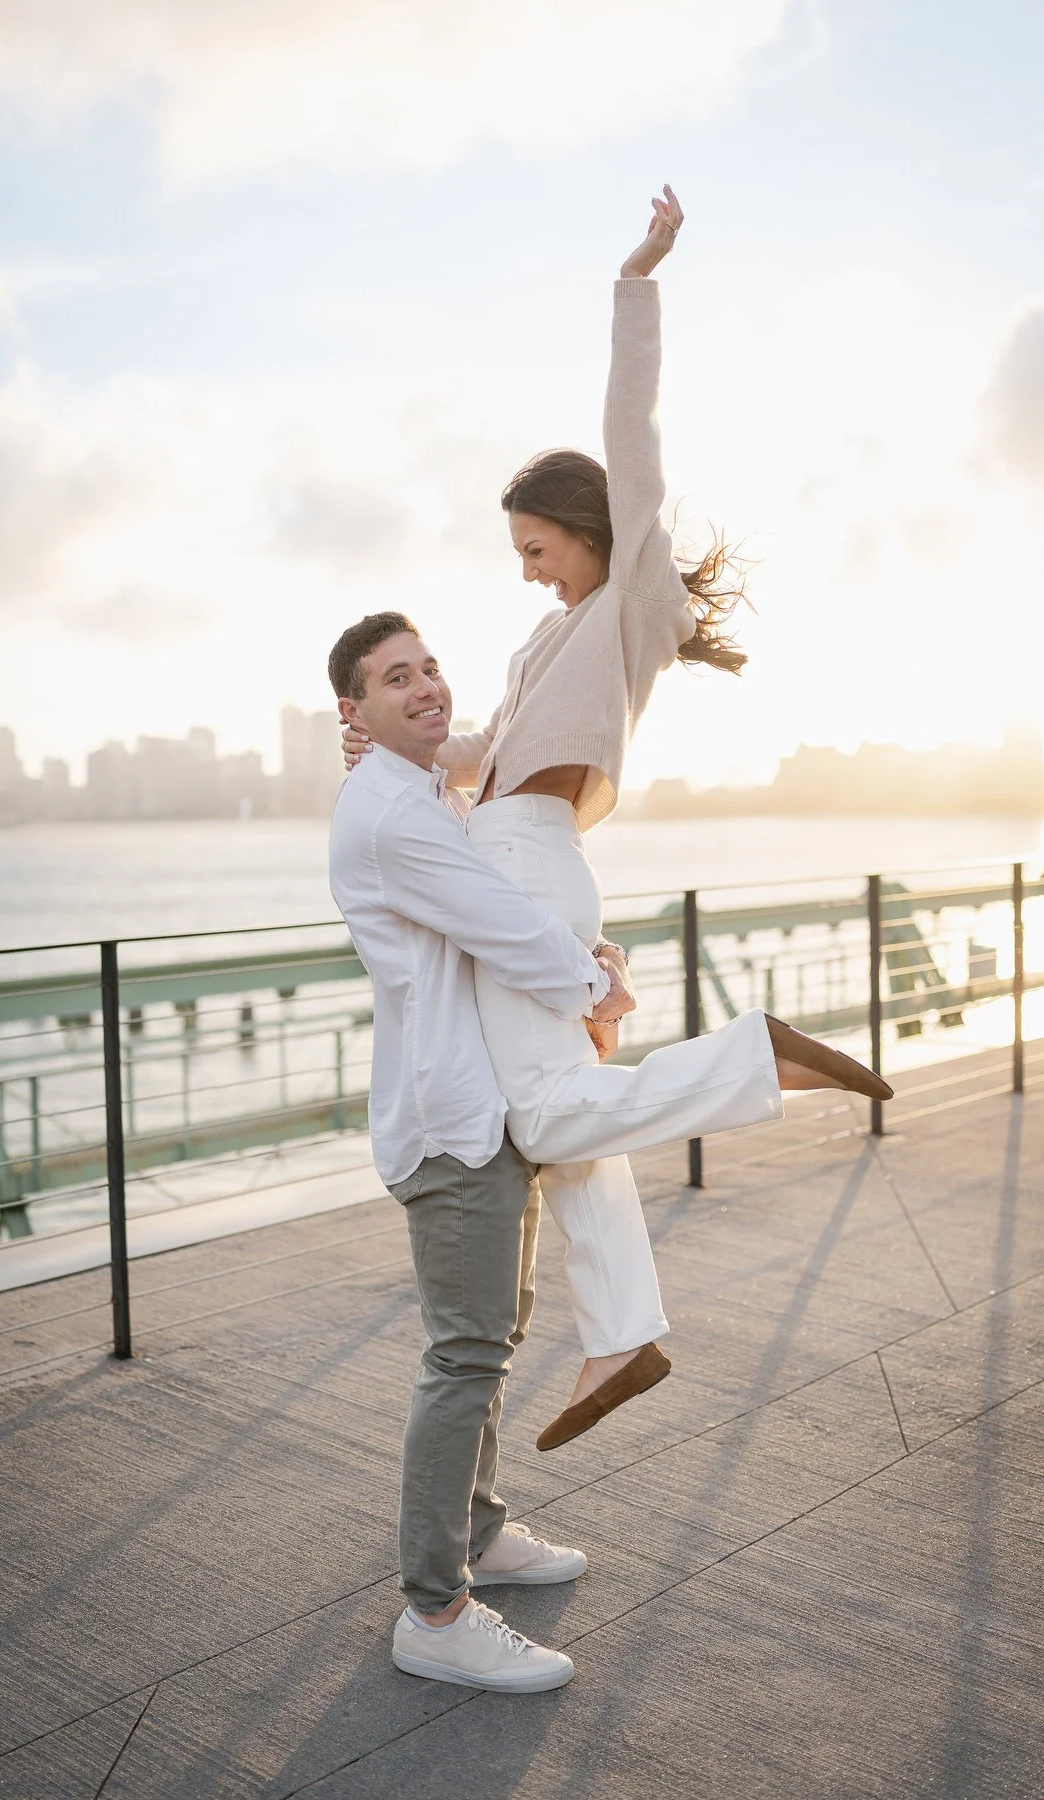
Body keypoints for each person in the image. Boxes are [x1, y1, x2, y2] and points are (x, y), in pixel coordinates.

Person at [343, 185, 893, 1453]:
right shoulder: (550, 640)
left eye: (537, 546)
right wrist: (388, 737)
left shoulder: (633, 597)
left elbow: (629, 433)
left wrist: (635, 281)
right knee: (563, 1119)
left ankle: (756, 1058)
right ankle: (623, 1335)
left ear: (588, 530)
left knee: (540, 1116)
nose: (528, 569)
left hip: (531, 867)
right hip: (515, 858)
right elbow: (475, 752)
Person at [328, 612, 888, 1692]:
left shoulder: (415, 790)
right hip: (447, 1123)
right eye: (396, 680)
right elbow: (497, 918)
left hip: (481, 1105)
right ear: (353, 709)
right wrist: (596, 983)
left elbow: (481, 805)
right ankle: (434, 1609)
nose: (426, 686)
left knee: (496, 1333)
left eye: (430, 666)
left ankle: (479, 1535)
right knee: (464, 1356)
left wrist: (581, 961)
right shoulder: (392, 816)